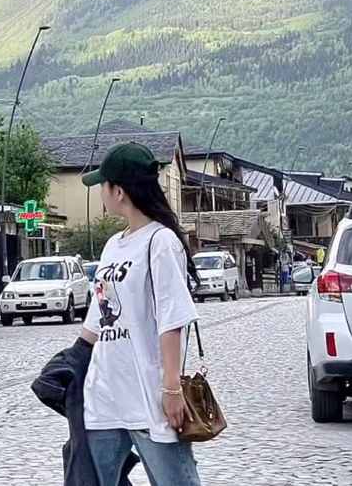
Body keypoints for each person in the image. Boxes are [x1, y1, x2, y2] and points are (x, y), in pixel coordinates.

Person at [79, 141, 203, 486]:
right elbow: (98, 316)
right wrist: (72, 359)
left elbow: (172, 319)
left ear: (119, 191)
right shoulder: (112, 245)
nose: (99, 194)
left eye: (102, 186)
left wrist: (172, 389)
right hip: (104, 395)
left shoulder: (160, 242)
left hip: (149, 395)